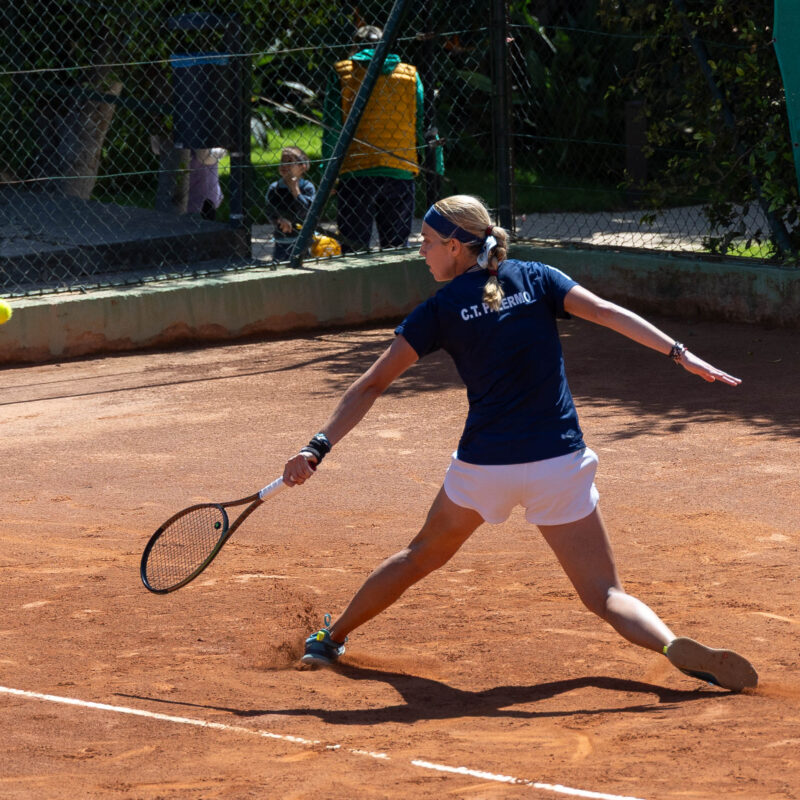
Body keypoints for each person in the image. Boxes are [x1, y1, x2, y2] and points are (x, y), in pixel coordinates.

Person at [283, 194, 758, 692]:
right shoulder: (538, 277)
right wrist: (679, 353)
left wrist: (317, 447)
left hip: (485, 469)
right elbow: (604, 312)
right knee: (606, 594)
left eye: (425, 243)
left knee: (419, 555)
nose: (419, 252)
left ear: (455, 245)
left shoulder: (440, 309)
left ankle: (329, 638)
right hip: (560, 463)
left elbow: (370, 385)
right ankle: (667, 643)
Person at [322, 25, 441, 253]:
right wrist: (434, 163)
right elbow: (423, 122)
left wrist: (329, 175)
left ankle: (354, 286)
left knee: (353, 246)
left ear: (354, 46)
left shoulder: (342, 71)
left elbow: (332, 128)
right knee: (396, 246)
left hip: (356, 171)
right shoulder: (409, 74)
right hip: (400, 168)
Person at [265, 147, 317, 262]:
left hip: (302, 241)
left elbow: (307, 211)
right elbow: (269, 210)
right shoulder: (275, 188)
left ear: (302, 167)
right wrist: (279, 219)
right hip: (281, 241)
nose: (284, 165)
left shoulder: (307, 187)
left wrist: (295, 189)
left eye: (289, 162)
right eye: (282, 161)